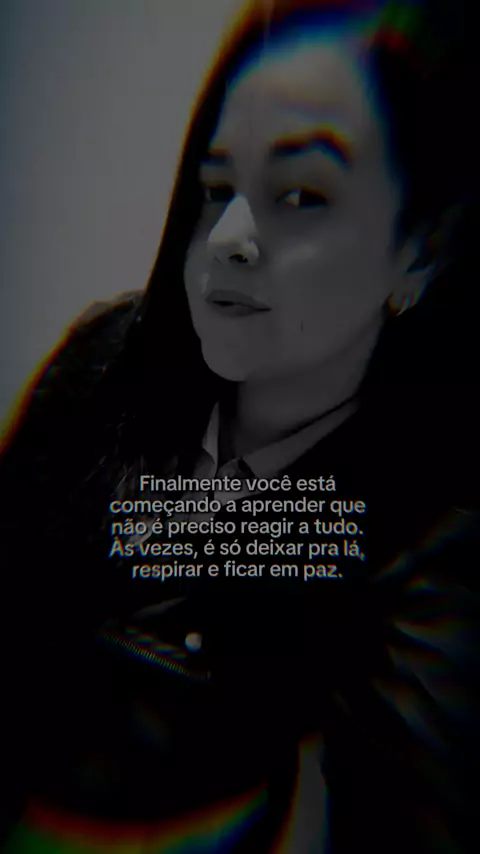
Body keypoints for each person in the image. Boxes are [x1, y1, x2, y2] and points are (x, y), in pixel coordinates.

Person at [1, 0, 479, 851]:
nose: (229, 238)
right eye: (218, 187)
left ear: (420, 249)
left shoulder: (431, 534)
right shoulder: (101, 367)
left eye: (300, 194)